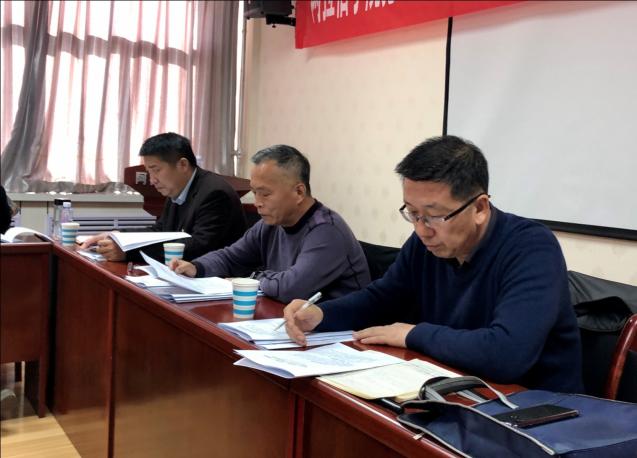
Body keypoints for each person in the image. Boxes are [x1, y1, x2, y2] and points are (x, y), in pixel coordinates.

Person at [283, 136, 583, 393]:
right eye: (412, 213)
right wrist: (321, 314)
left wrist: (413, 334)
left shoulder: (531, 247)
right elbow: (382, 298)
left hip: (537, 411)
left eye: (434, 215)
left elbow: (507, 353)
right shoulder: (427, 243)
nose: (421, 229)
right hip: (455, 388)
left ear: (479, 208)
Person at [171, 145, 371, 303]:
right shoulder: (270, 223)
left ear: (299, 192)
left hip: (338, 333)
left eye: (265, 194)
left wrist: (251, 278)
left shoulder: (327, 231)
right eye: (254, 192)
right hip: (287, 319)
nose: (257, 202)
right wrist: (197, 267)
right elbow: (231, 257)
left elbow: (291, 288)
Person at [81, 132, 247, 262]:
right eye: (149, 172)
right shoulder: (177, 187)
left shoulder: (215, 193)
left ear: (182, 164)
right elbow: (161, 231)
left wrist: (128, 251)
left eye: (156, 170)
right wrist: (118, 236)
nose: (152, 180)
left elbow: (199, 247)